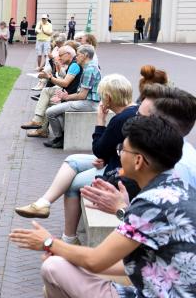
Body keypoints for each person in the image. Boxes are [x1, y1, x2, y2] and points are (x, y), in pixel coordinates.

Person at [10, 115, 196, 298]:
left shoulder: (153, 201)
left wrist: (49, 243)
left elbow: (96, 260)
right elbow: (140, 262)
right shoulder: (179, 188)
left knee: (53, 265)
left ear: (139, 160)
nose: (119, 154)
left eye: (123, 149)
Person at [15, 74, 138, 245]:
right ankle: (44, 203)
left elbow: (99, 149)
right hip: (117, 160)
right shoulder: (133, 111)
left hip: (121, 171)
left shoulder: (120, 119)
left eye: (102, 95)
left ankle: (68, 237)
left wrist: (100, 121)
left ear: (108, 98)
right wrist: (105, 156)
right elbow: (110, 150)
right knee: (72, 160)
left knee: (73, 185)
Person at [82, 84, 196, 213]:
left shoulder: (179, 168)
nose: (133, 119)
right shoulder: (163, 153)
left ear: (161, 124)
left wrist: (122, 210)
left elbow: (163, 223)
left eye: (139, 116)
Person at [43, 44, 101, 149]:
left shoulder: (89, 70)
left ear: (85, 55)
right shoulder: (90, 67)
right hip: (88, 102)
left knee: (50, 112)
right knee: (56, 109)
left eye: (78, 55)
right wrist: (65, 96)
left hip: (89, 104)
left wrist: (66, 97)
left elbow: (82, 95)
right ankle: (60, 137)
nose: (76, 57)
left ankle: (60, 138)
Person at [21, 45, 82, 138]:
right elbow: (66, 78)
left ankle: (41, 126)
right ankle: (40, 127)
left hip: (70, 94)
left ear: (68, 54)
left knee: (48, 97)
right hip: (68, 92)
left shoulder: (74, 64)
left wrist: (49, 77)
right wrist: (58, 67)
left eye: (61, 55)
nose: (60, 57)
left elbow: (65, 83)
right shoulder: (73, 63)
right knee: (46, 93)